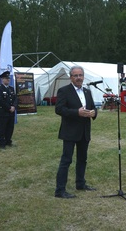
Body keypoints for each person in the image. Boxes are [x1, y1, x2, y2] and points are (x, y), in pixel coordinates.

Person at [55, 66, 97, 199]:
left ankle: (80, 183)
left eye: (81, 75)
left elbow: (93, 108)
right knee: (66, 160)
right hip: (70, 131)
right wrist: (76, 112)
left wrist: (94, 113)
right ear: (70, 77)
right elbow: (59, 109)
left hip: (84, 131)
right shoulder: (64, 91)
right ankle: (60, 190)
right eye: (76, 75)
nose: (79, 78)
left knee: (82, 159)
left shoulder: (87, 91)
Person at [0, 71, 17, 149]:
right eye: (6, 78)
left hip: (11, 112)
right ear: (2, 79)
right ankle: (1, 143)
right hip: (3, 112)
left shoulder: (11, 88)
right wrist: (9, 108)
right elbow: (0, 101)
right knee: (2, 128)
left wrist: (14, 106)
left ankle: (8, 141)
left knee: (10, 128)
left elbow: (15, 98)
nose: (8, 80)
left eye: (8, 78)